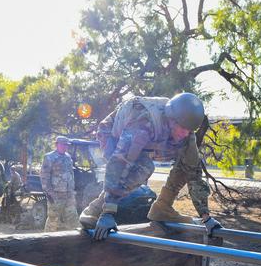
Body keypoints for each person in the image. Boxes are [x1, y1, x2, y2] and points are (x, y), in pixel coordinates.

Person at [80, 93, 221, 240]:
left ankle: (163, 207)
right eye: (183, 129)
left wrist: (206, 217)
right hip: (111, 134)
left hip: (150, 139)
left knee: (189, 161)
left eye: (189, 130)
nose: (185, 134)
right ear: (171, 120)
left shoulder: (186, 131)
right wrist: (108, 212)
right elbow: (120, 163)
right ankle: (95, 210)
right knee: (143, 167)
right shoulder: (143, 122)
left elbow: (194, 173)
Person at [41, 136, 80, 231]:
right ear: (56, 144)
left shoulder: (68, 157)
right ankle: (46, 241)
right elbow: (44, 176)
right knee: (53, 220)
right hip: (55, 194)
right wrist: (49, 193)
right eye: (62, 144)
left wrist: (72, 191)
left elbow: (71, 174)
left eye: (66, 145)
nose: (65, 147)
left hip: (68, 194)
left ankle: (73, 241)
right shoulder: (49, 157)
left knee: (73, 219)